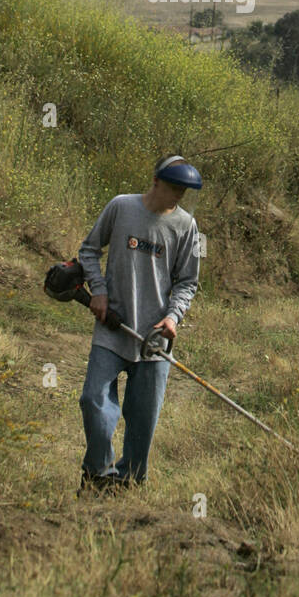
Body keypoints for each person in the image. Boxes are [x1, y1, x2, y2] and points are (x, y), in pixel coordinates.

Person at [77, 154, 202, 491]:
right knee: (93, 400)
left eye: (184, 190)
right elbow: (88, 250)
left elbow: (187, 281)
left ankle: (128, 482)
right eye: (174, 186)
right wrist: (98, 292)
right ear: (156, 180)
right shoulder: (121, 207)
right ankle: (98, 475)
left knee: (143, 421)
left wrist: (173, 317)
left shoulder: (186, 226)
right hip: (112, 327)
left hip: (153, 340)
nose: (178, 195)